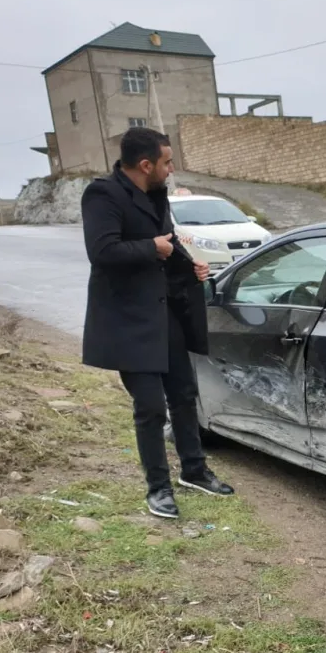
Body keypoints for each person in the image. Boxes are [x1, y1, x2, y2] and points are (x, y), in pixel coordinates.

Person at [81, 127, 234, 520]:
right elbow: (102, 251)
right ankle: (158, 489)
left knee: (184, 394)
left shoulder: (156, 192)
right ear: (145, 164)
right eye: (166, 162)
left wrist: (191, 262)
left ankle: (195, 471)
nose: (172, 168)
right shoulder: (103, 194)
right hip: (129, 320)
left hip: (166, 311)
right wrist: (153, 247)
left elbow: (168, 240)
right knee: (150, 408)